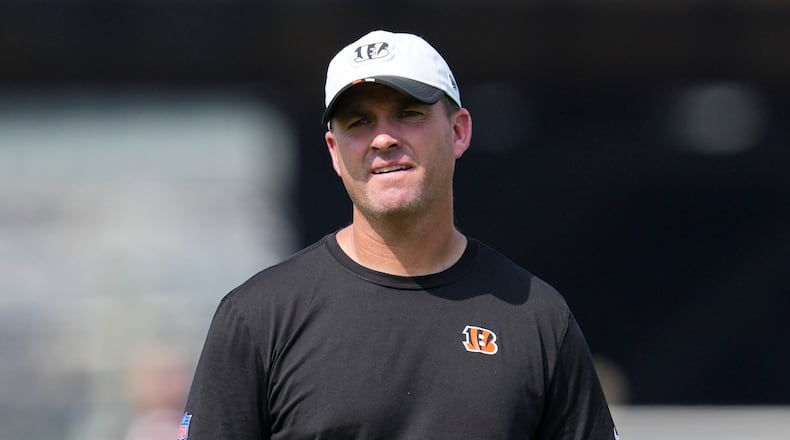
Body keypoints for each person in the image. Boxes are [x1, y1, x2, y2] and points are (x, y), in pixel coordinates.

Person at [180, 29, 619, 440]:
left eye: (408, 113)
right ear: (334, 151)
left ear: (459, 131)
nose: (384, 139)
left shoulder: (536, 317)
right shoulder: (259, 317)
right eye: (358, 123)